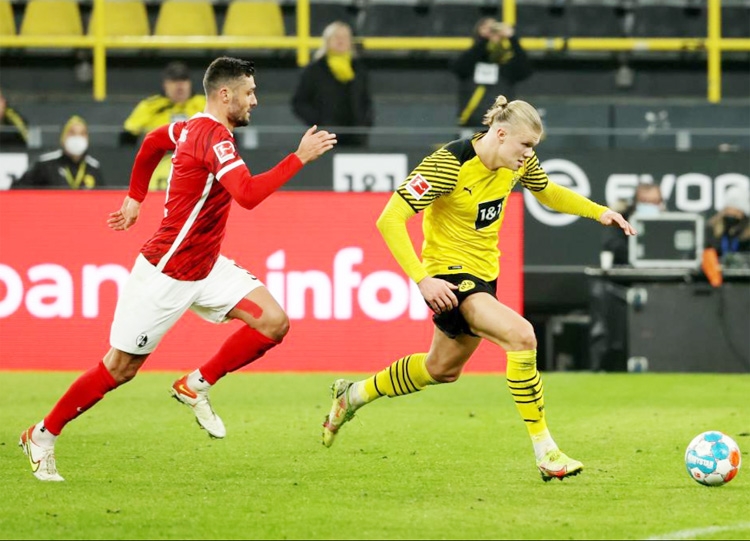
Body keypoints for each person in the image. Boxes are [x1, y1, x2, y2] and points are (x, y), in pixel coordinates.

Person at [19, 56, 337, 482]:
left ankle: (196, 384)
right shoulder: (214, 138)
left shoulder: (189, 127)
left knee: (274, 323)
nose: (255, 101)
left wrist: (136, 197)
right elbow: (245, 194)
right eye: (249, 93)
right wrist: (297, 158)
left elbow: (152, 141)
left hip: (205, 267)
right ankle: (41, 434)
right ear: (226, 95)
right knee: (119, 369)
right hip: (166, 272)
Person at [321, 95, 636, 481]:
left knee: (441, 369)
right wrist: (422, 279)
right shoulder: (448, 164)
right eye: (525, 146)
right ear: (500, 134)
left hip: (485, 276)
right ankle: (546, 452)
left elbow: (548, 190)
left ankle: (351, 395)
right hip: (450, 279)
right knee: (522, 337)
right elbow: (390, 218)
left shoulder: (517, 162)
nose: (528, 155)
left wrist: (599, 211)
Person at [120, 61, 207, 190]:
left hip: (198, 164)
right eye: (174, 81)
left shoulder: (204, 104)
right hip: (158, 164)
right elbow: (127, 138)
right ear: (165, 84)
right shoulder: (151, 106)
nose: (180, 86)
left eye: (184, 80)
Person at [291, 21, 373, 148]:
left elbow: (366, 101)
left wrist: (364, 125)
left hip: (356, 138)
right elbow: (299, 102)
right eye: (336, 37)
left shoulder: (358, 70)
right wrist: (320, 124)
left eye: (345, 37)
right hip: (324, 139)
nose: (341, 41)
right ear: (327, 41)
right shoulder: (314, 70)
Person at [452, 18, 532, 131]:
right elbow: (459, 67)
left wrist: (512, 38)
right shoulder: (471, 59)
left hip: (502, 124)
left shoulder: (506, 64)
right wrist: (484, 40)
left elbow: (525, 70)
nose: (492, 32)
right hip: (470, 123)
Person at [13, 115, 104, 189]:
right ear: (63, 138)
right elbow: (19, 190)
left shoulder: (93, 168)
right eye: (72, 133)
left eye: (82, 133)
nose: (77, 137)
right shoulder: (46, 165)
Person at [601, 182, 664, 266]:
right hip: (627, 271)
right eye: (644, 201)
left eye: (654, 202)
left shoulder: (667, 224)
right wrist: (637, 255)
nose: (649, 206)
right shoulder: (621, 220)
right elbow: (612, 243)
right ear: (635, 202)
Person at [704, 184, 750, 274]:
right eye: (728, 210)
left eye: (737, 211)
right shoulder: (713, 229)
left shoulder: (746, 233)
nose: (731, 214)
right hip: (718, 276)